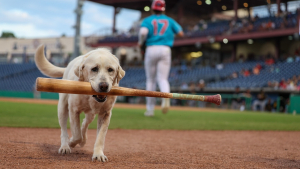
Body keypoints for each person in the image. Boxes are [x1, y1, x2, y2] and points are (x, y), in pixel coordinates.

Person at [138, 0, 184, 116]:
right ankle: (165, 97)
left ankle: (150, 109)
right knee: (163, 79)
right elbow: (181, 33)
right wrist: (168, 34)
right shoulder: (169, 20)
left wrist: (140, 42)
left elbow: (143, 32)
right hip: (165, 49)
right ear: (163, 9)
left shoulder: (148, 20)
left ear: (153, 8)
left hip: (151, 48)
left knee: (150, 80)